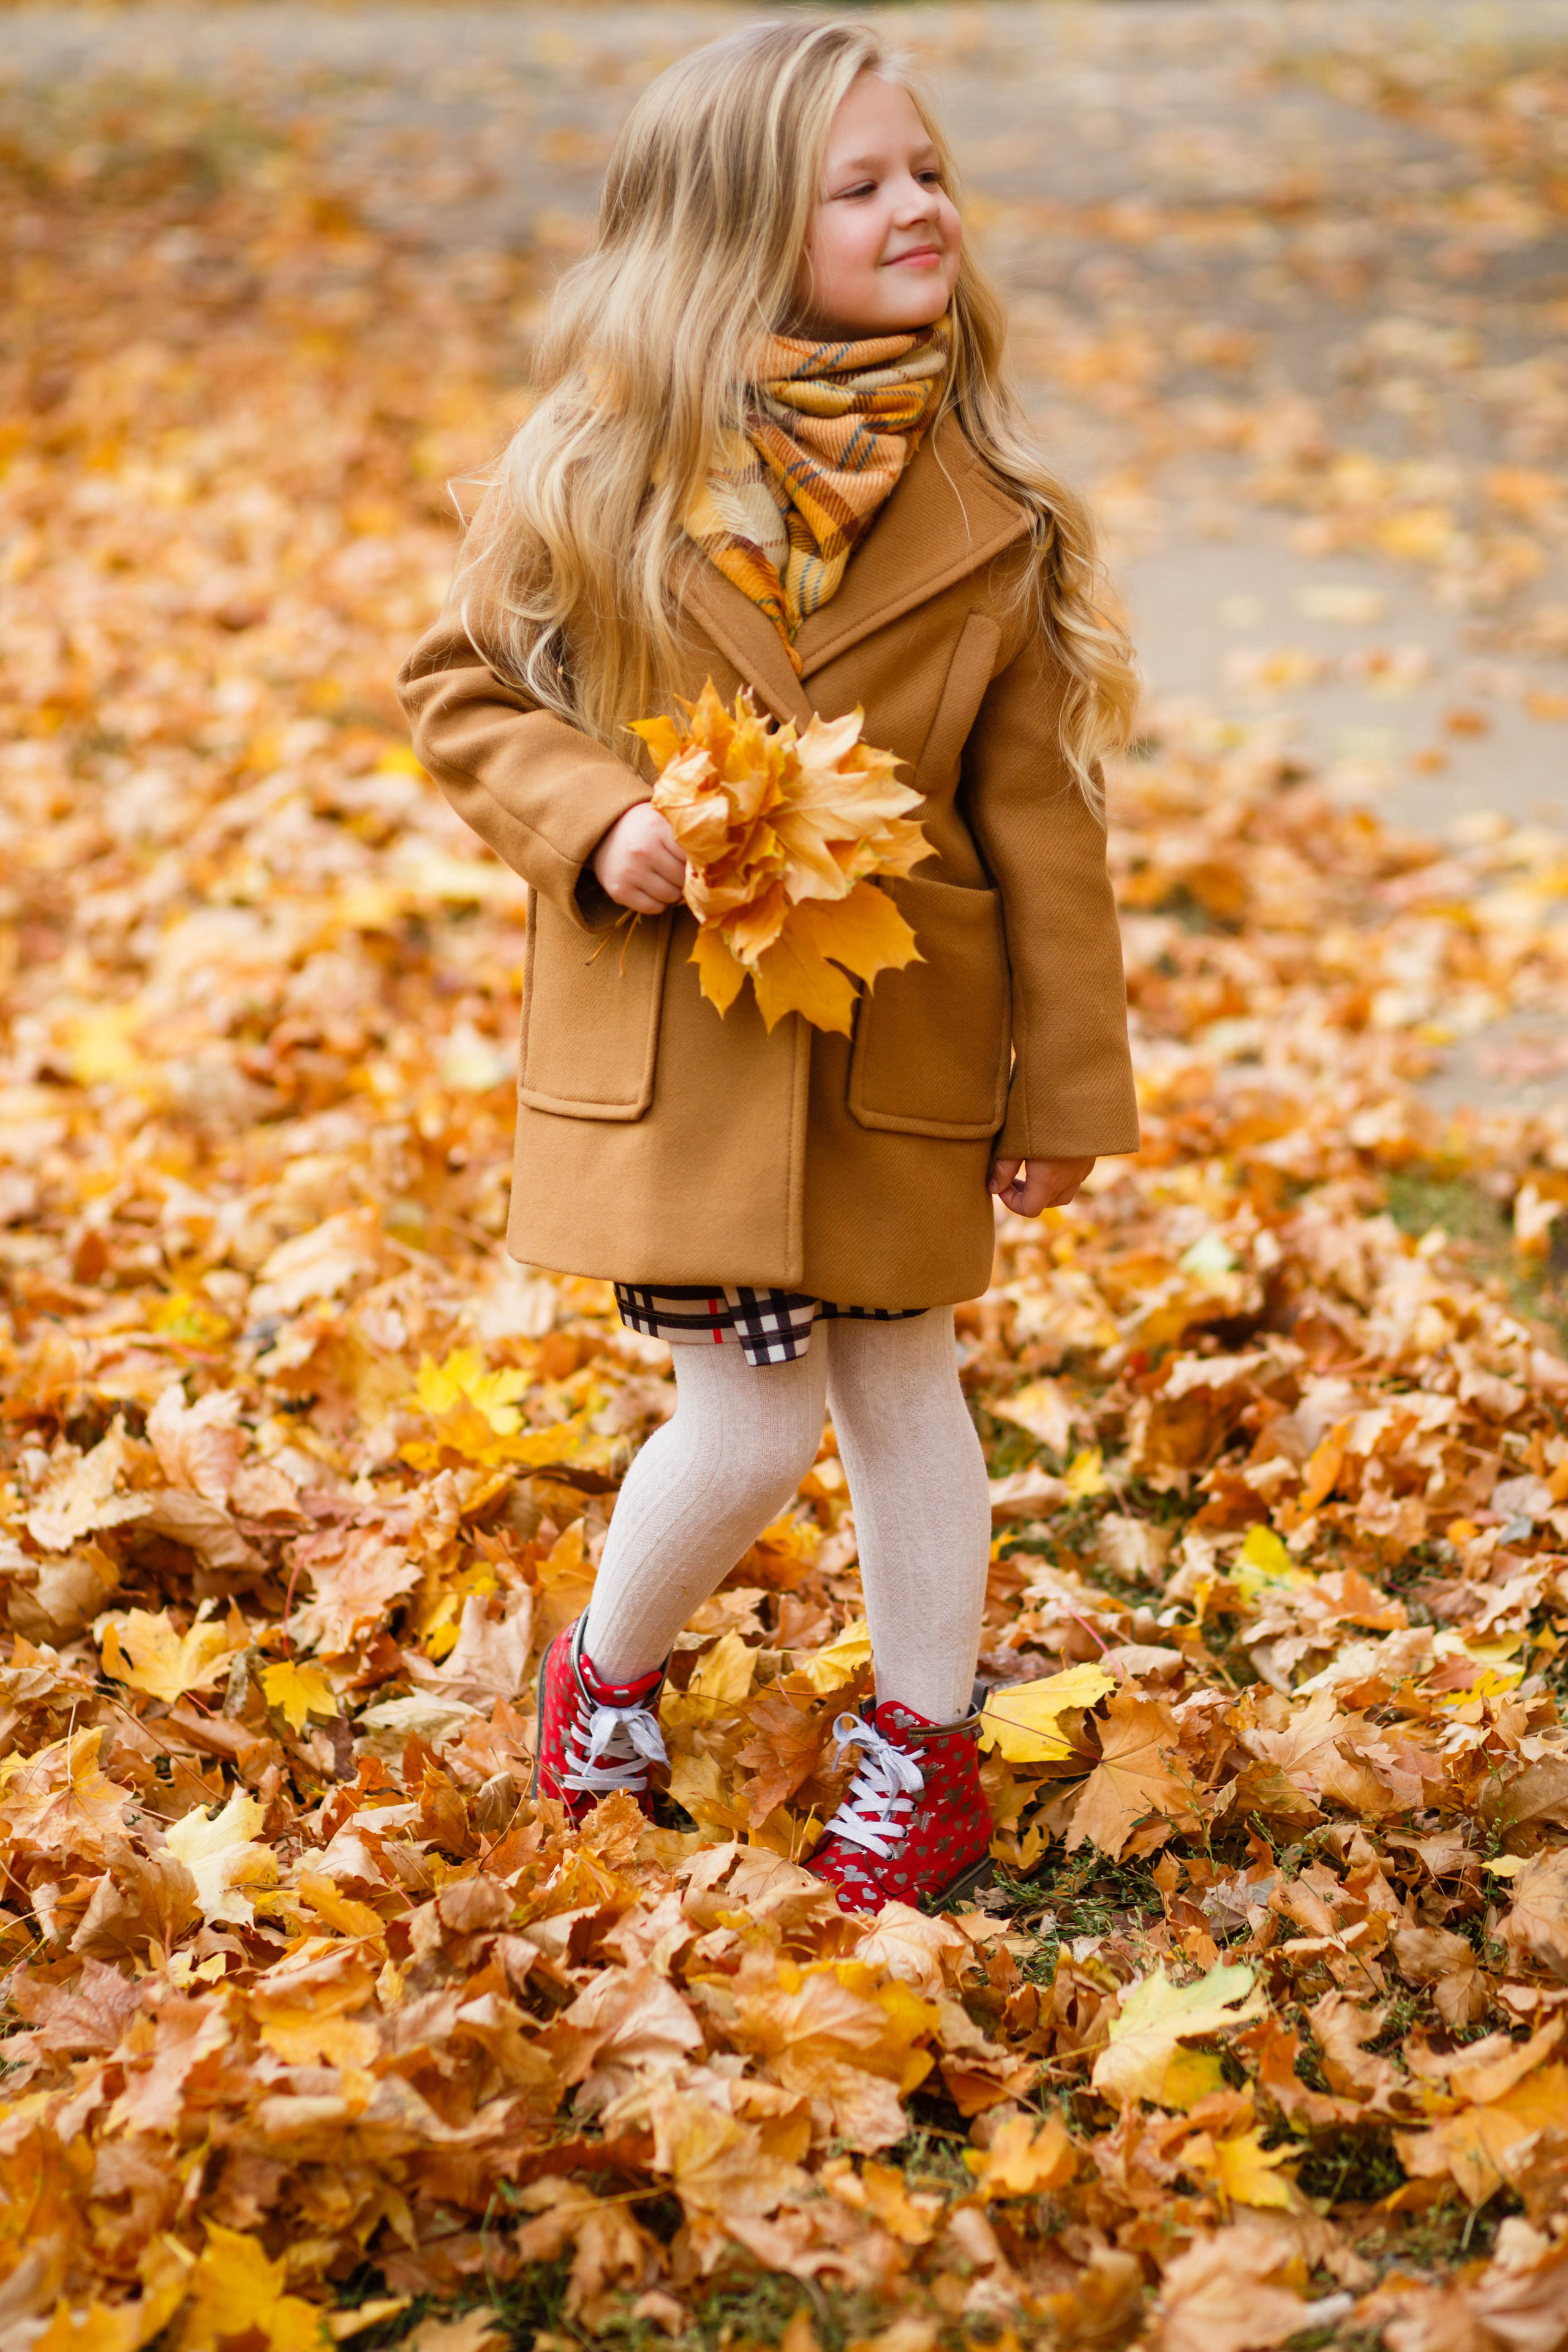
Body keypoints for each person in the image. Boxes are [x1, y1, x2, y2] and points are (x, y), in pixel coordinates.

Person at [397, 18, 1139, 1915]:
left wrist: (1058, 1090)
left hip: (904, 1035)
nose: (921, 207)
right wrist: (592, 817)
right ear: (736, 232)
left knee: (910, 1396)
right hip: (693, 1043)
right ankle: (608, 1676)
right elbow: (462, 690)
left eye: (928, 171)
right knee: (741, 1421)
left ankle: (926, 1754)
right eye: (863, 184)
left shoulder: (993, 510)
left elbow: (1042, 818)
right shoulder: (601, 474)